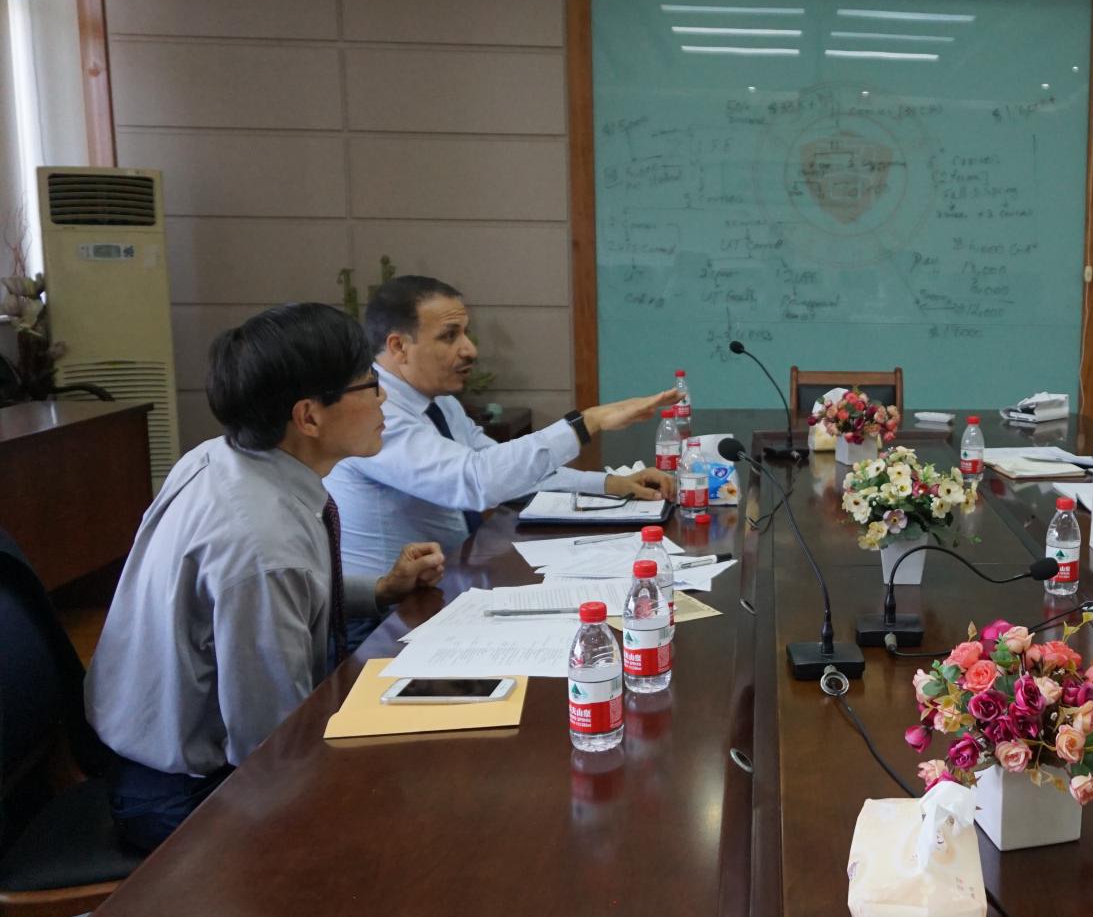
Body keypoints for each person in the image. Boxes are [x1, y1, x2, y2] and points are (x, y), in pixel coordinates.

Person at [86, 303, 445, 851]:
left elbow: (282, 597)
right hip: (188, 793)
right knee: (417, 821)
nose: (384, 400)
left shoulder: (225, 458)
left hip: (178, 754)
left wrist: (379, 590)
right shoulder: (261, 544)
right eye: (370, 385)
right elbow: (271, 743)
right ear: (308, 417)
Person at [327, 276, 679, 576]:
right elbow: (476, 481)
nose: (470, 350)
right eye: (449, 336)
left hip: (448, 578)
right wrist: (585, 423)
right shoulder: (374, 413)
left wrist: (609, 484)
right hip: (389, 614)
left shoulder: (440, 402)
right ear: (399, 346)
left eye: (466, 333)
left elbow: (510, 473)